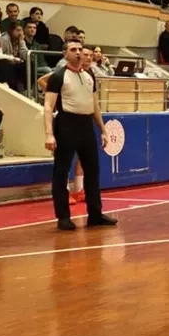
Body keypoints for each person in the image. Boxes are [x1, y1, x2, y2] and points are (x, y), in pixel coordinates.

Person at [44, 40, 116, 231]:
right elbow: (48, 107)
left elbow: (95, 106)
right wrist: (49, 134)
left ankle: (95, 214)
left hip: (86, 125)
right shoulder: (58, 76)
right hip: (66, 124)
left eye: (79, 50)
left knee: (93, 170)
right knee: (61, 171)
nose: (78, 53)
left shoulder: (89, 75)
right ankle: (63, 217)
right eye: (73, 50)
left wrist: (103, 129)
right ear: (65, 54)